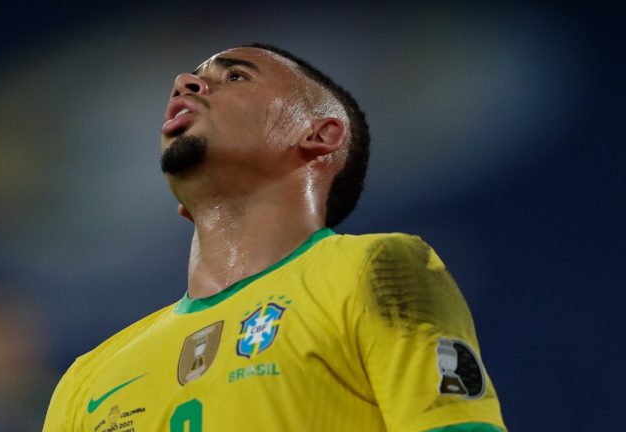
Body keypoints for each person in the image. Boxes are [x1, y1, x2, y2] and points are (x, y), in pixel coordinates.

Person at [43, 43, 505, 432]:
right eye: (190, 77)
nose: (186, 81)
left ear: (319, 135)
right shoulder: (87, 379)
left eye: (237, 76)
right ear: (185, 207)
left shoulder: (375, 270)